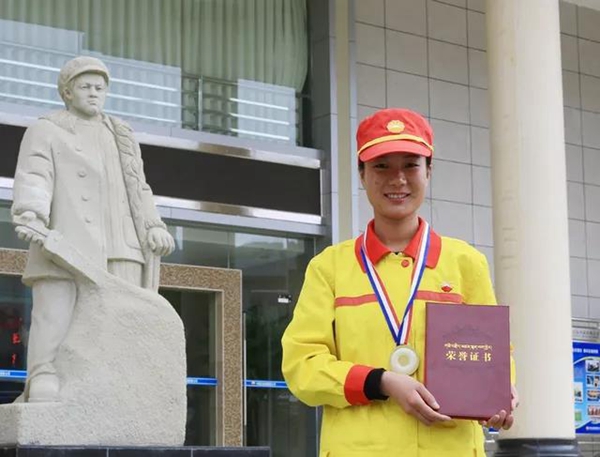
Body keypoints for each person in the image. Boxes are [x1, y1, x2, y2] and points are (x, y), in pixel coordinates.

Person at [281, 108, 518, 456]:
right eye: (381, 166)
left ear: (429, 171)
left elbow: (493, 353)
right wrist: (381, 381)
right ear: (362, 174)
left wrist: (499, 392)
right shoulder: (329, 267)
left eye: (410, 165)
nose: (398, 179)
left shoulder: (466, 263)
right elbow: (302, 366)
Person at [11, 56, 175, 402]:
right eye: (85, 86)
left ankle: (119, 381)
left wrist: (152, 225)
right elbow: (35, 174)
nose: (93, 93)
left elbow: (139, 187)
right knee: (54, 310)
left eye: (100, 88)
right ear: (67, 93)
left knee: (123, 318)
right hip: (66, 237)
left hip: (121, 241)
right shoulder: (47, 129)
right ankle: (44, 372)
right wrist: (31, 212)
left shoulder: (121, 134)